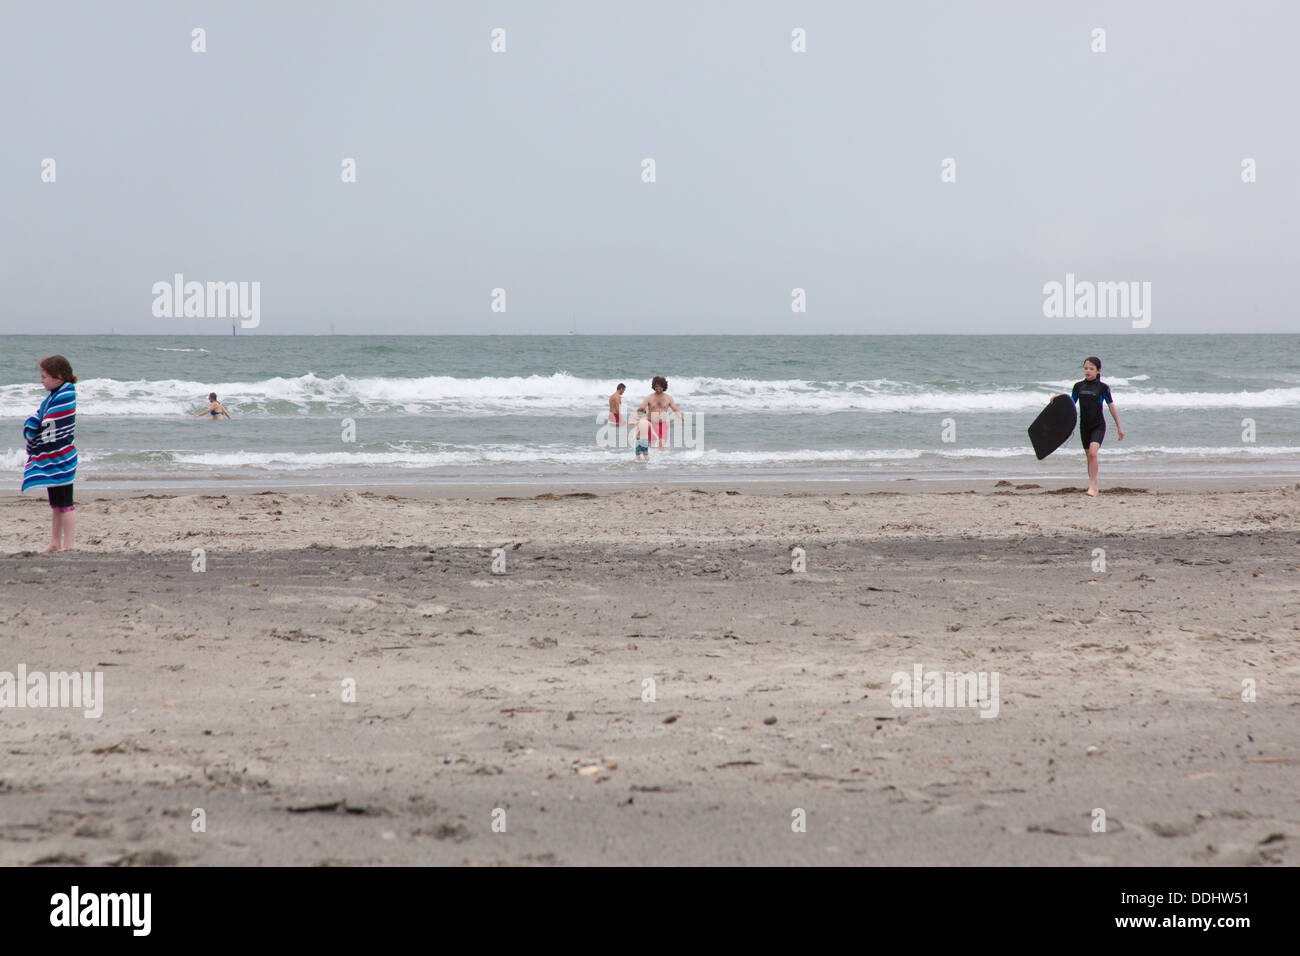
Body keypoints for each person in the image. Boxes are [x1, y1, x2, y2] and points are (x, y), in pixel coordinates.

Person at [22, 355, 79, 552]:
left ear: (59, 377)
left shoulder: (66, 396)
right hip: (52, 460)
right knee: (55, 505)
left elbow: (54, 423)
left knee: (66, 505)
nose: (42, 380)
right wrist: (33, 424)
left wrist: (37, 427)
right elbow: (41, 417)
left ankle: (69, 546)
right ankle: (55, 543)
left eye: (44, 376)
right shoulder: (52, 397)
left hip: (62, 457)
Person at [1070, 356, 1124, 497]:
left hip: (1098, 425)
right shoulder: (1078, 387)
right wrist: (1057, 400)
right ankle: (1093, 485)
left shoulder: (1102, 388)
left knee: (1093, 453)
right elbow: (1070, 405)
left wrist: (1119, 427)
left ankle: (1092, 486)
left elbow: (1111, 407)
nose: (1088, 371)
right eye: (1086, 368)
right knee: (1089, 456)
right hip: (1084, 426)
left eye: (1091, 369)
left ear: (1098, 371)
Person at [636, 376, 684, 451]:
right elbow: (640, 409)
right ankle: (650, 461)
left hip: (663, 424)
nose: (658, 388)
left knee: (661, 444)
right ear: (654, 386)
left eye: (660, 386)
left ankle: (662, 461)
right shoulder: (649, 397)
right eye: (656, 386)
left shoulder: (669, 398)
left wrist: (681, 417)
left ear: (664, 386)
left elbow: (675, 409)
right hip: (651, 423)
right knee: (651, 445)